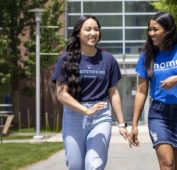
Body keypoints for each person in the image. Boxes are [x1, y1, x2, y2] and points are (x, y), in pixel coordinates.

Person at [129, 12, 177, 170]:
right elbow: (142, 91)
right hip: (159, 115)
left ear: (168, 30)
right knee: (167, 164)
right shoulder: (147, 56)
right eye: (149, 30)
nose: (151, 33)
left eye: (155, 29)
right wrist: (134, 124)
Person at [52, 15, 128, 170]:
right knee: (75, 165)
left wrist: (121, 124)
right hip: (74, 116)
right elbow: (61, 94)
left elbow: (113, 93)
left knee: (94, 164)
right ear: (78, 33)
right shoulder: (66, 59)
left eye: (96, 29)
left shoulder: (108, 59)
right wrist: (85, 110)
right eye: (88, 29)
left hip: (101, 116)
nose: (93, 33)